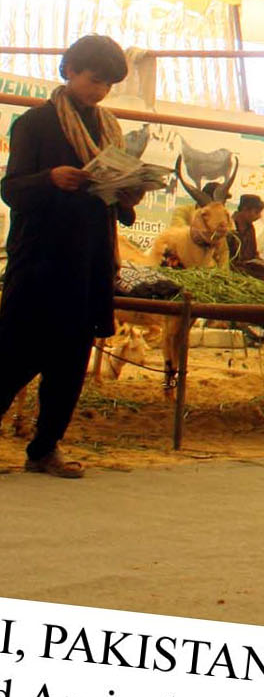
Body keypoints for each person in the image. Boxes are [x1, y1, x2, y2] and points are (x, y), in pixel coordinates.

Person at [0, 36, 145, 478]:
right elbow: (11, 189)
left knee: (70, 360)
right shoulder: (35, 125)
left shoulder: (110, 130)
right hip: (41, 258)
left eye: (107, 85)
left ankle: (45, 448)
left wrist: (128, 191)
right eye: (93, 80)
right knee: (15, 355)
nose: (98, 92)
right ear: (69, 71)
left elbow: (118, 205)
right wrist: (50, 179)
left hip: (90, 261)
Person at [230, 193, 264, 280]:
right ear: (245, 210)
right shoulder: (230, 227)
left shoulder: (250, 228)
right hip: (234, 270)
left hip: (248, 267)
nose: (259, 216)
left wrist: (263, 263)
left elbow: (253, 254)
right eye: (256, 212)